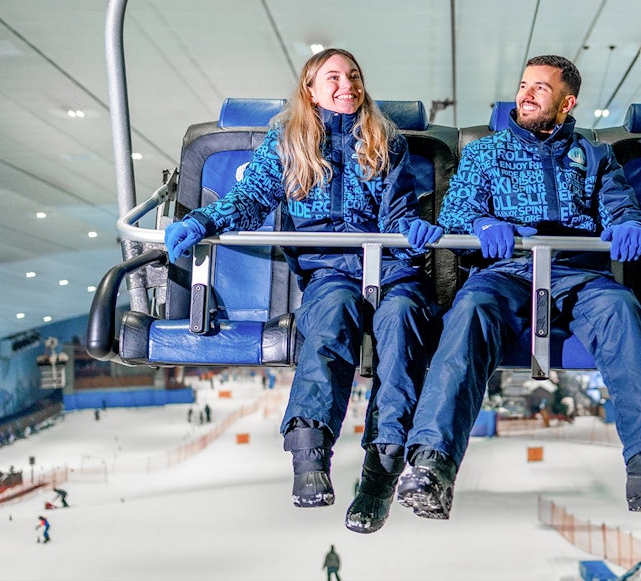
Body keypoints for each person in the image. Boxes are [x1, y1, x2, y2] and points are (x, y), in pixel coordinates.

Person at [396, 55, 641, 519]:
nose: (526, 94)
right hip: (505, 272)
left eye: (541, 87)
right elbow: (454, 214)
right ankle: (432, 464)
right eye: (524, 85)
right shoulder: (488, 151)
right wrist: (480, 222)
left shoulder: (595, 155)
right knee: (469, 314)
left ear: (567, 102)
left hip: (578, 273)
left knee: (621, 310)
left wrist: (626, 223)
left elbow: (620, 206)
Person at [164, 48, 442, 534]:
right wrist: (207, 218)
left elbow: (397, 213)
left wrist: (412, 229)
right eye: (333, 77)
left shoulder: (385, 141)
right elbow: (252, 198)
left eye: (354, 76)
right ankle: (309, 454)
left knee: (402, 324)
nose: (347, 85)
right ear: (310, 90)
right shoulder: (288, 142)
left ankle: (380, 474)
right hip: (329, 269)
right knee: (330, 321)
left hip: (392, 266)